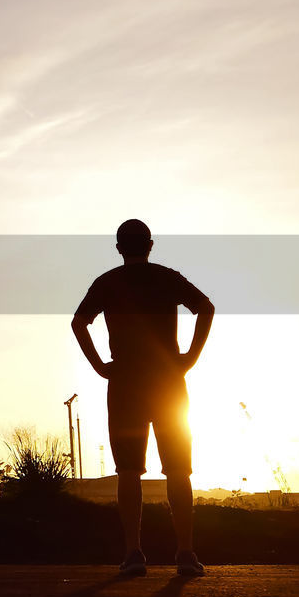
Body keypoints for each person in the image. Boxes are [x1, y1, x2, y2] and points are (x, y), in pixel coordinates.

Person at [71, 219, 214, 577]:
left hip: (126, 385)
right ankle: (184, 553)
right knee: (178, 470)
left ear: (119, 248)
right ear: (150, 245)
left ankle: (133, 553)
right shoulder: (167, 278)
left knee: (129, 472)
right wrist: (190, 358)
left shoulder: (107, 282)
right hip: (168, 382)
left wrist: (101, 366)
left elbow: (79, 322)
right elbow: (206, 308)